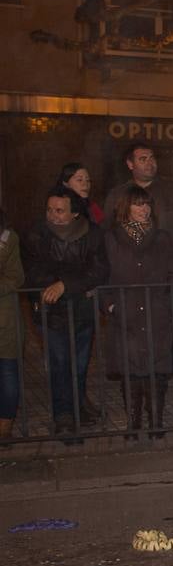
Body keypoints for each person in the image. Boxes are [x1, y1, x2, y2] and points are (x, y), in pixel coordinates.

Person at [24, 186, 108, 436]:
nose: (53, 215)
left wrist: (65, 285)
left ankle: (77, 407)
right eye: (49, 210)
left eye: (59, 211)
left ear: (74, 213)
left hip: (82, 312)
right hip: (51, 313)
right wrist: (70, 284)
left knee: (80, 365)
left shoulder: (92, 234)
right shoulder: (37, 235)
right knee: (60, 363)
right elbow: (32, 271)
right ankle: (63, 416)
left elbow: (99, 270)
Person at [101, 185, 173, 439]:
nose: (144, 209)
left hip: (156, 311)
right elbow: (102, 275)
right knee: (130, 369)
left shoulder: (162, 237)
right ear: (125, 207)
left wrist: (170, 300)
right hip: (126, 312)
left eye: (146, 204)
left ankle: (156, 421)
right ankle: (133, 423)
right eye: (138, 204)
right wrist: (110, 305)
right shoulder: (111, 238)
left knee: (156, 368)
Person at [103, 143, 173, 239]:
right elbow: (107, 230)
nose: (150, 163)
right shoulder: (117, 195)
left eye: (152, 158)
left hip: (170, 251)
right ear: (130, 164)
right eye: (143, 159)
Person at [0, 208, 22, 441]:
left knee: (7, 371)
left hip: (4, 317)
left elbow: (16, 276)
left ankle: (4, 427)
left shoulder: (7, 238)